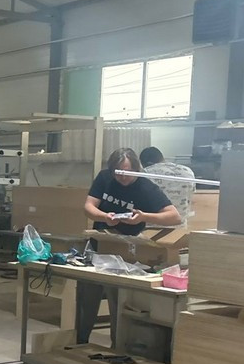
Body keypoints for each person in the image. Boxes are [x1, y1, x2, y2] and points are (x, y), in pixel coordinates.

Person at [76, 148, 182, 346]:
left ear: (136, 169)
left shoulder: (145, 187)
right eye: (119, 173)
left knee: (118, 300)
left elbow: (174, 217)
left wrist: (144, 217)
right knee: (87, 296)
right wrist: (104, 217)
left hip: (125, 254)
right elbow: (88, 207)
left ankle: (117, 346)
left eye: (128, 172)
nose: (123, 177)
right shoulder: (105, 178)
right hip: (99, 246)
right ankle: (80, 341)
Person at [139, 146, 196, 226]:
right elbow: (191, 195)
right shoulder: (187, 171)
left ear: (146, 163)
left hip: (151, 227)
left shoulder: (144, 173)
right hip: (179, 227)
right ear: (162, 158)